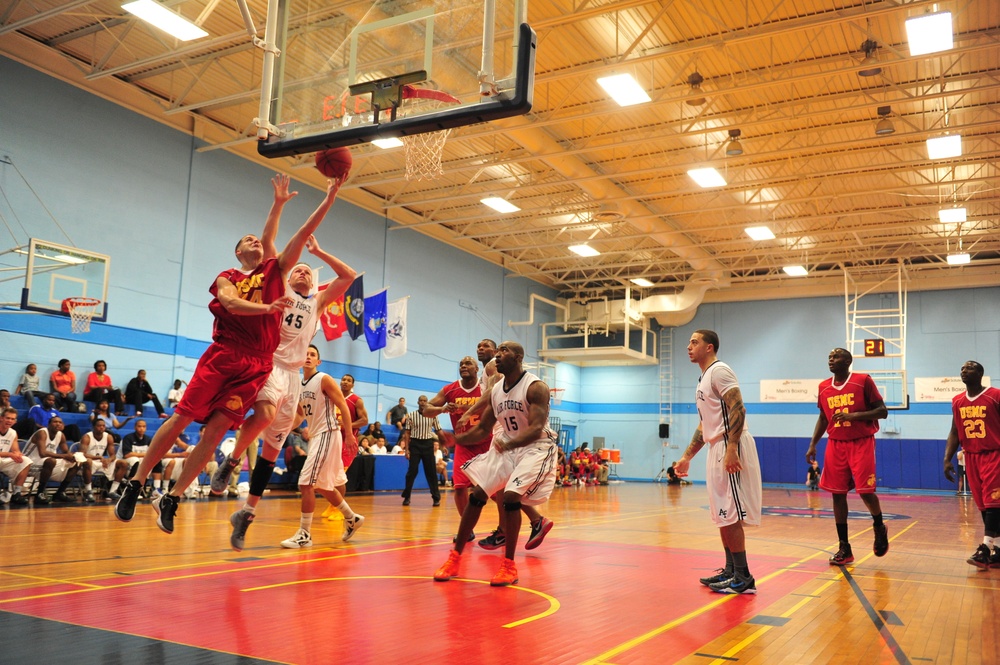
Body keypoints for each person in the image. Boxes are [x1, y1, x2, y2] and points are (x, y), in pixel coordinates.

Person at [114, 173, 344, 533]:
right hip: (225, 354)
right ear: (239, 253)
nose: (256, 240)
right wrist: (266, 310)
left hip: (257, 364)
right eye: (247, 240)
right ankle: (137, 480)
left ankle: (172, 496)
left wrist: (328, 198)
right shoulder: (229, 276)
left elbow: (300, 232)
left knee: (218, 430)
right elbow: (229, 302)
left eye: (258, 238)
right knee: (182, 419)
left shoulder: (276, 270)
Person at [218, 235, 356, 550]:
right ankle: (233, 459)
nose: (303, 273)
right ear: (288, 275)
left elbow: (348, 276)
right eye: (299, 270)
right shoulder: (278, 287)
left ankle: (247, 514)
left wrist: (319, 251)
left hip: (292, 376)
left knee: (271, 451)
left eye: (309, 271)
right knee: (263, 416)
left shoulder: (318, 302)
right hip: (268, 363)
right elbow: (271, 251)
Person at [434, 341, 558, 586]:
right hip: (508, 445)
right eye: (498, 351)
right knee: (477, 494)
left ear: (519, 357)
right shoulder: (497, 389)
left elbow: (534, 428)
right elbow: (482, 429)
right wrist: (455, 440)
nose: (498, 355)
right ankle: (455, 558)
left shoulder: (536, 387)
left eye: (504, 351)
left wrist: (509, 445)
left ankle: (509, 566)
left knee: (511, 497)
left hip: (535, 447)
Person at [673, 329, 762, 595]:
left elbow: (739, 408)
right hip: (717, 445)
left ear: (709, 347)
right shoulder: (703, 378)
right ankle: (730, 570)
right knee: (722, 513)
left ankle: (743, 576)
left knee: (731, 512)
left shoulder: (720, 370)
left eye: (694, 342)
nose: (688, 346)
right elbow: (705, 425)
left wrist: (732, 447)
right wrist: (687, 456)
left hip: (729, 443)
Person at [806, 347, 889, 566]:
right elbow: (824, 418)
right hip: (835, 443)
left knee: (866, 492)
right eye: (829, 356)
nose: (831, 359)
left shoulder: (863, 381)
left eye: (836, 356)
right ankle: (844, 547)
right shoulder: (824, 387)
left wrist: (853, 416)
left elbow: (882, 411)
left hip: (861, 441)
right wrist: (813, 443)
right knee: (837, 493)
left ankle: (879, 526)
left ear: (848, 361)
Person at [277, 344, 362, 549]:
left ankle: (304, 534)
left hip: (328, 432)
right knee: (324, 486)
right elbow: (299, 415)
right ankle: (352, 518)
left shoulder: (323, 379)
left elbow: (342, 405)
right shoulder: (298, 384)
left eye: (313, 354)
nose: (308, 356)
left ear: (318, 361)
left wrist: (349, 434)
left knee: (306, 483)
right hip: (317, 436)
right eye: (305, 353)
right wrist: (283, 430)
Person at [423, 356, 492, 532]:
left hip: (487, 443)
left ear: (477, 369)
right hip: (463, 444)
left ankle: (504, 528)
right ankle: (467, 529)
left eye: (468, 363)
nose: (463, 366)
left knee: (496, 491)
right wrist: (442, 409)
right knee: (460, 488)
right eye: (461, 364)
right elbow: (426, 409)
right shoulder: (450, 389)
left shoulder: (485, 388)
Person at [944, 360, 1000, 569]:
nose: (964, 371)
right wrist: (946, 458)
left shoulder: (995, 396)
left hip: (994, 453)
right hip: (971, 457)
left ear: (980, 374)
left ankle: (985, 548)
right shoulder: (958, 401)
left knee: (994, 502)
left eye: (969, 368)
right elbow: (955, 431)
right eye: (962, 368)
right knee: (985, 506)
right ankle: (998, 550)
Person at [400, 395, 442, 507]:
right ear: (418, 402)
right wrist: (407, 450)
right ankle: (407, 496)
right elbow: (407, 433)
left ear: (427, 402)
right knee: (412, 471)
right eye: (421, 401)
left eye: (425, 401)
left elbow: (438, 430)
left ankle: (436, 498)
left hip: (428, 444)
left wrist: (443, 445)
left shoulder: (433, 415)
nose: (423, 402)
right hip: (415, 444)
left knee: (431, 472)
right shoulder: (412, 415)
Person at [26, 414, 78, 503]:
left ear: (63, 425)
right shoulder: (42, 433)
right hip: (30, 462)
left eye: (60, 422)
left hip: (47, 463)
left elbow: (66, 452)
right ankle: (39, 494)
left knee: (77, 463)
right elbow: (42, 453)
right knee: (50, 461)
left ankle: (60, 493)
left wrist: (72, 457)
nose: (58, 424)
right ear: (49, 424)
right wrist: (64, 456)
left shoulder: (61, 435)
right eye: (55, 422)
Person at [79, 418, 128, 503]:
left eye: (103, 426)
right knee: (88, 461)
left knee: (123, 463)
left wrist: (109, 460)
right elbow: (82, 454)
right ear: (94, 427)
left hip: (101, 462)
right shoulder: (87, 437)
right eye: (99, 426)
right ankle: (89, 491)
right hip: (90, 461)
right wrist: (98, 458)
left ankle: (113, 491)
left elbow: (113, 455)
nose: (101, 427)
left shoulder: (108, 437)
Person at [0, 407, 32, 505]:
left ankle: (17, 493)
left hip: (3, 460)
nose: (10, 421)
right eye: (8, 418)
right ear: (1, 418)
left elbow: (16, 450)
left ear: (15, 421)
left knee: (26, 461)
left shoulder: (13, 432)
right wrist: (10, 454)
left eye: (12, 419)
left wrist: (18, 455)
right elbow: (11, 453)